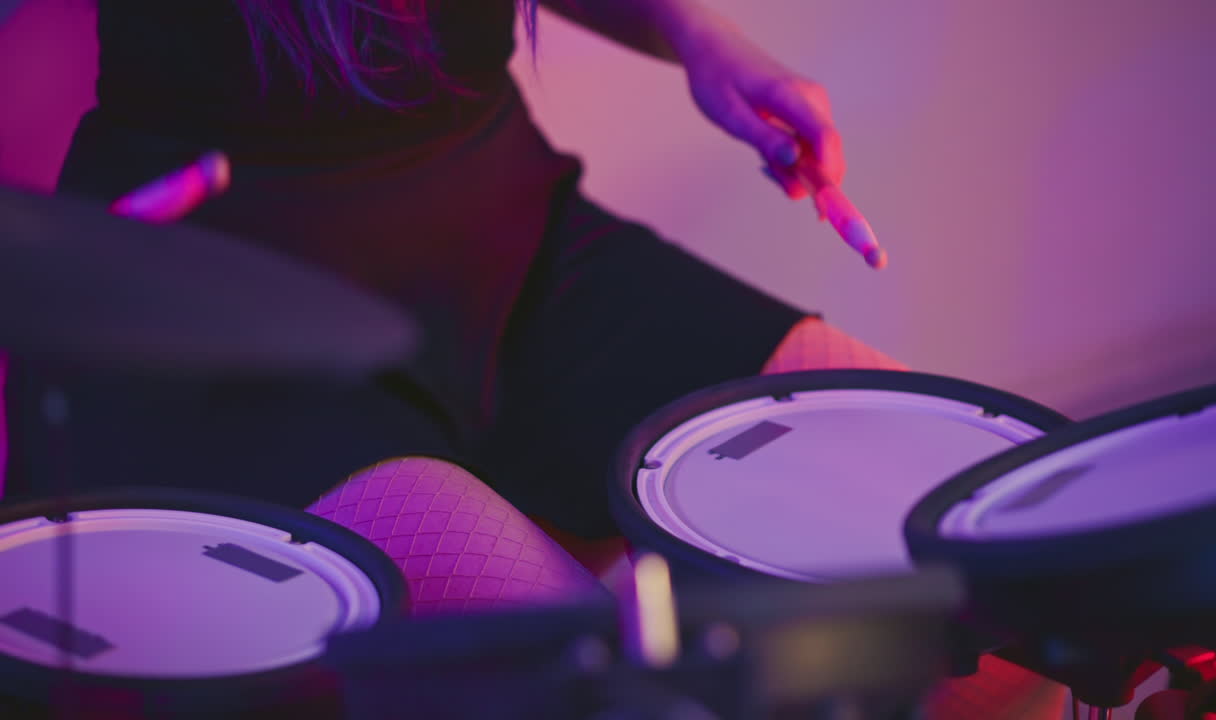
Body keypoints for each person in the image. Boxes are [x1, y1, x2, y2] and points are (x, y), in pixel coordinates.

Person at [1, 1, 1062, 717]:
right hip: (221, 306)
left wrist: (698, 39)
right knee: (638, 699)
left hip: (514, 238)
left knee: (1016, 587)